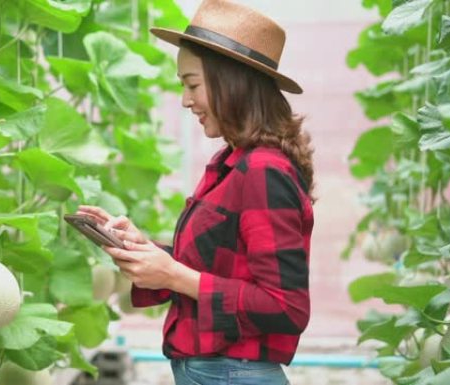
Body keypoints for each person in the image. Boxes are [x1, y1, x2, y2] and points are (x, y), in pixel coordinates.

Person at [78, 0, 314, 383]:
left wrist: (172, 275)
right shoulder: (232, 163)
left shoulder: (262, 170)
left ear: (230, 82)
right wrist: (147, 250)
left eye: (192, 85)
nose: (186, 100)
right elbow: (216, 267)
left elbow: (285, 306)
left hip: (232, 373)